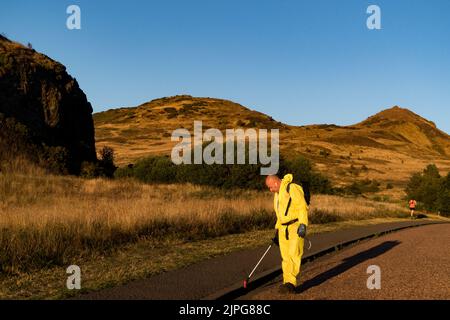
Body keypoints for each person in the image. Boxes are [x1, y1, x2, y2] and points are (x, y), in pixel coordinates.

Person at [265, 173, 309, 294]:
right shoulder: (277, 194)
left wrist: (303, 225)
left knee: (294, 253)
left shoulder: (292, 187)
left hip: (295, 225)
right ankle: (287, 282)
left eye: (270, 187)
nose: (270, 190)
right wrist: (277, 230)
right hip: (283, 229)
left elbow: (302, 206)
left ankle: (290, 283)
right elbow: (280, 214)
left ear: (275, 183)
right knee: (285, 257)